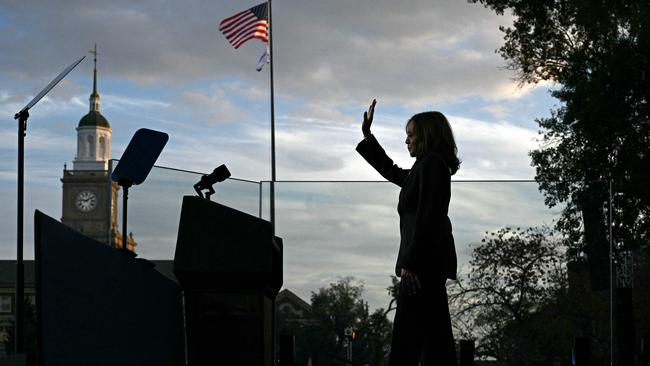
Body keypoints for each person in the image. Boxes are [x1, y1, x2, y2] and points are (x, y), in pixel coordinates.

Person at [356, 99, 459, 365]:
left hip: (421, 267)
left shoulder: (432, 166)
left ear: (426, 136)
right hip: (426, 265)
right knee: (433, 340)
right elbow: (392, 171)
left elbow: (428, 217)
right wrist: (368, 136)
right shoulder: (427, 167)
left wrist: (411, 263)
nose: (407, 141)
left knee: (409, 340)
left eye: (411, 135)